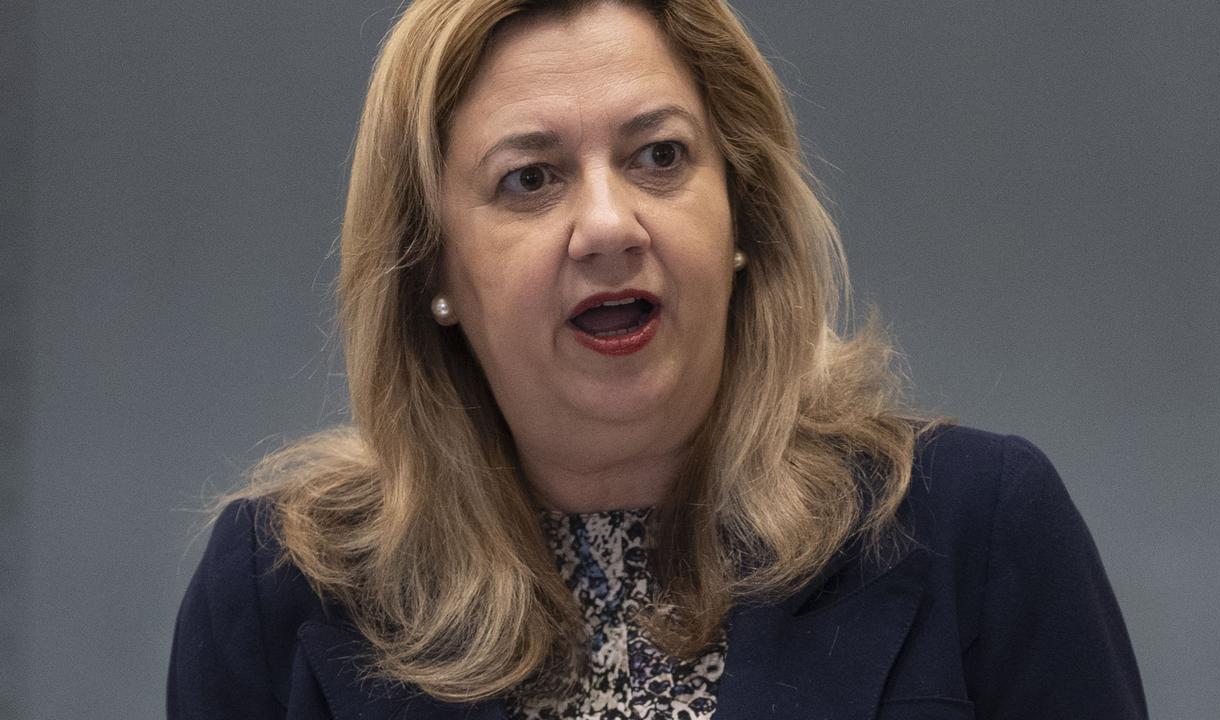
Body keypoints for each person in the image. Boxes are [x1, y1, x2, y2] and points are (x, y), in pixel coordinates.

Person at [167, 0, 1148, 718]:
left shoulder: (973, 531)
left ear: (738, 216)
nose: (606, 225)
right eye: (530, 178)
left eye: (658, 157)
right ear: (436, 270)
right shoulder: (277, 594)